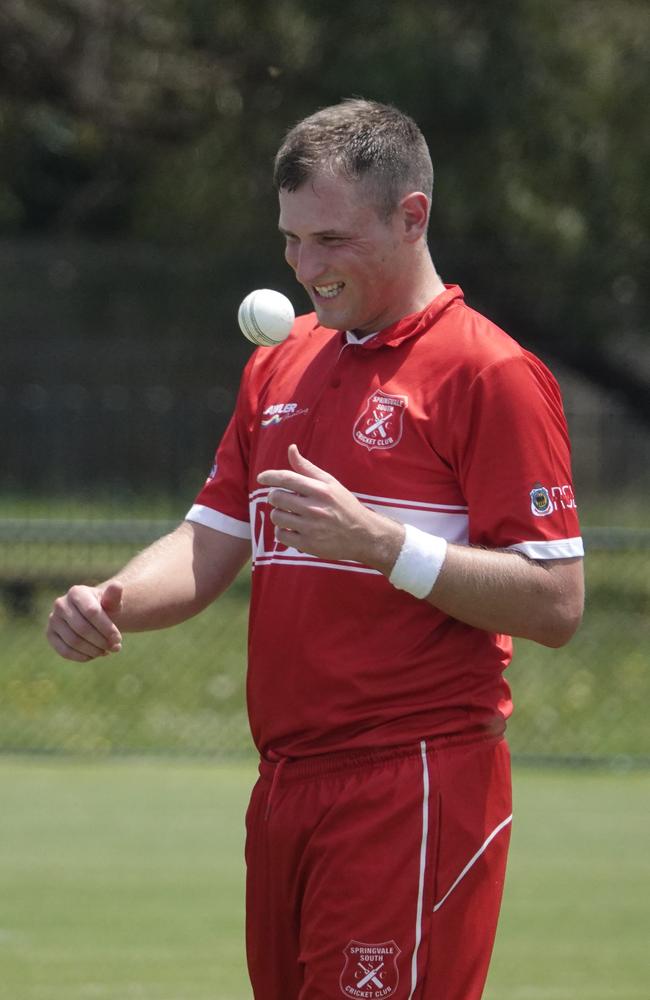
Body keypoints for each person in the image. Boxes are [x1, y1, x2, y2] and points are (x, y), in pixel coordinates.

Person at [47, 99, 584, 1000]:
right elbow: (206, 541)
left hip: (412, 783)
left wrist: (381, 546)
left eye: (331, 240)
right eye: (292, 240)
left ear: (412, 216)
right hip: (287, 786)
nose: (305, 268)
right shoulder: (282, 360)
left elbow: (556, 602)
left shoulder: (489, 373)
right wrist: (112, 601)